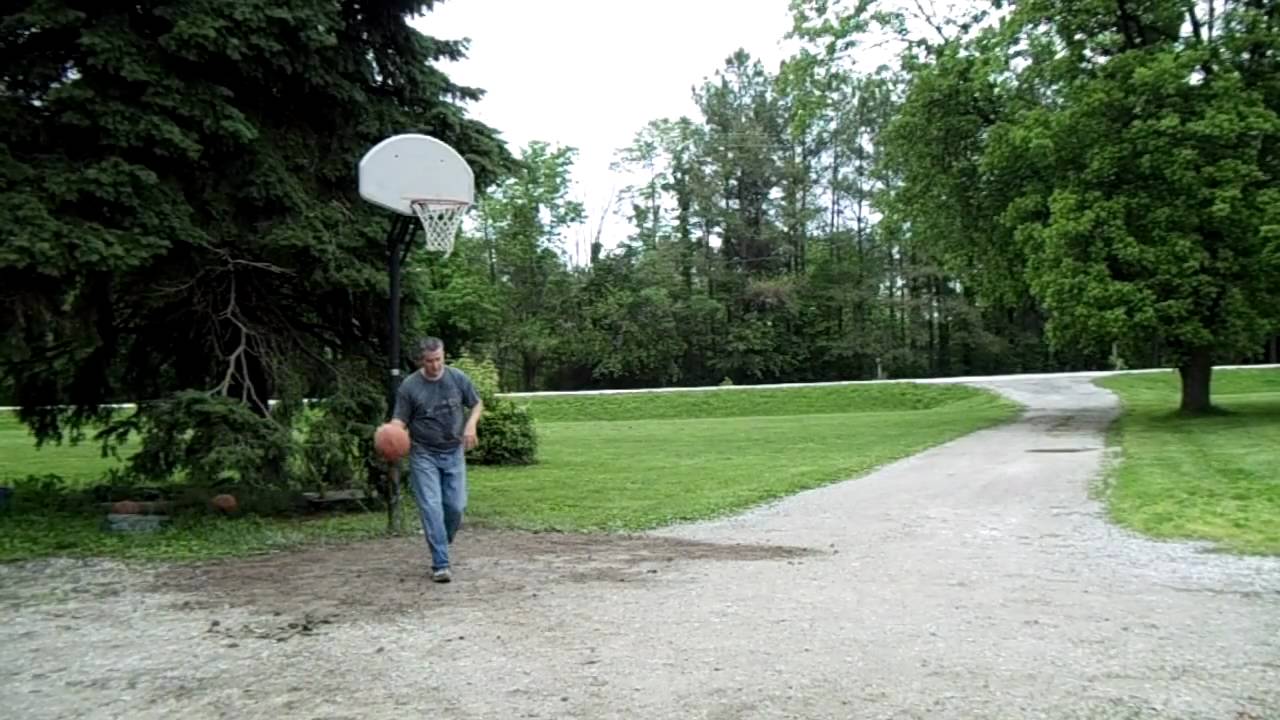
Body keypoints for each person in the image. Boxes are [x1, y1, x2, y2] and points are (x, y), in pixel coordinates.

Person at [389, 337, 483, 583]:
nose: (435, 365)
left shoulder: (457, 378)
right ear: (421, 361)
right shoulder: (410, 387)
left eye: (439, 359)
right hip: (423, 454)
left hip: (453, 450)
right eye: (430, 361)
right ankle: (441, 563)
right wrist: (391, 434)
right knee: (431, 507)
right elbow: (399, 419)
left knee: (456, 506)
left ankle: (441, 539)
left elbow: (476, 404)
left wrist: (471, 425)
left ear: (444, 355)